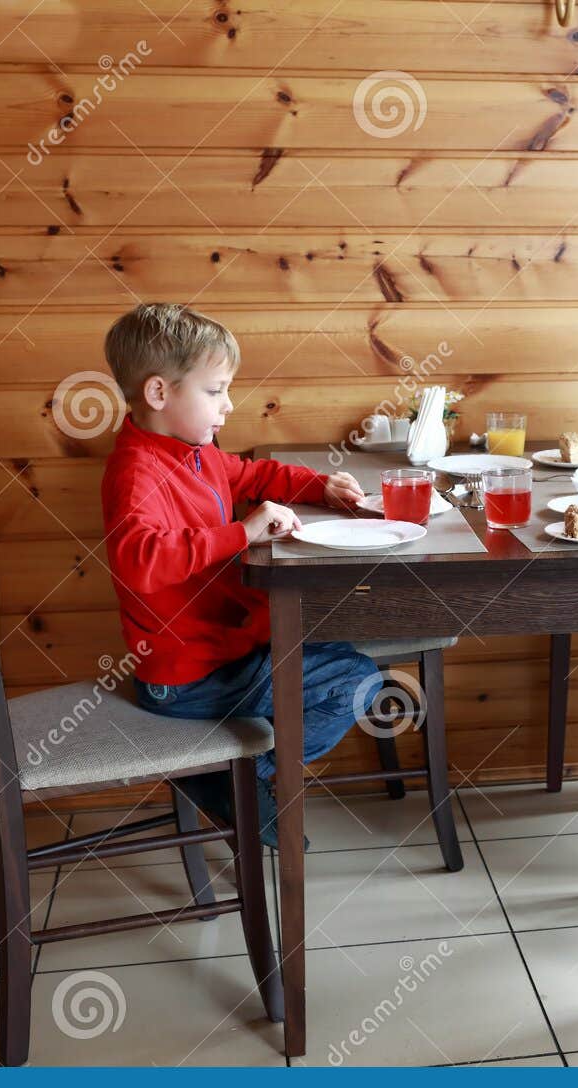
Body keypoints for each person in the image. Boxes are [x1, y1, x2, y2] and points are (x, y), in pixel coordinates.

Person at [99, 302, 374, 846]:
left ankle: (226, 778)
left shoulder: (192, 452)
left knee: (339, 652)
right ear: (159, 393)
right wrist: (241, 534)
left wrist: (317, 485)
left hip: (221, 654)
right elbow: (140, 561)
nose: (227, 405)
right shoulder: (137, 472)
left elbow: (252, 474)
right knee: (355, 680)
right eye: (215, 390)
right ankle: (240, 782)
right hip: (187, 680)